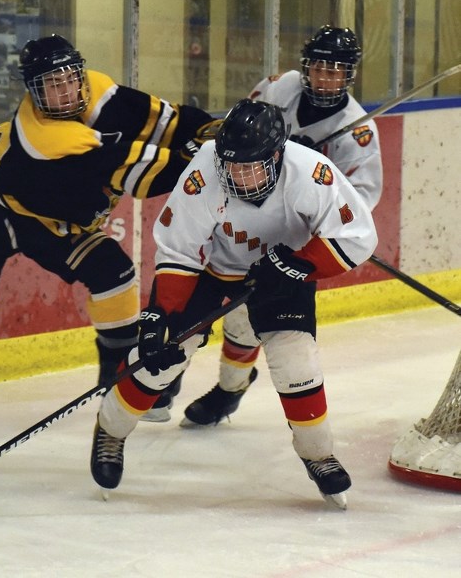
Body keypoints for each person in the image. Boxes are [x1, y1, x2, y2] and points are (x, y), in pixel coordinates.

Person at [0, 34, 217, 475]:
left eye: (69, 79)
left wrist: (211, 129)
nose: (65, 91)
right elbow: (145, 175)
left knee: (114, 274)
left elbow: (169, 121)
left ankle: (115, 379)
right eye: (51, 85)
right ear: (32, 90)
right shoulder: (47, 140)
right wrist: (211, 155)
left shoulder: (100, 90)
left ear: (81, 74)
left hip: (44, 217)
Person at [90, 98, 378, 508]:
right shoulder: (205, 170)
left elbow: (357, 237)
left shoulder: (310, 172)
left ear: (276, 155)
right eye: (233, 165)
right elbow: (179, 250)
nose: (240, 175)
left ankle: (318, 454)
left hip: (285, 269)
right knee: (159, 358)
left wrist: (296, 264)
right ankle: (110, 430)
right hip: (211, 268)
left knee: (297, 362)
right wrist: (160, 314)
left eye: (251, 165)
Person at [145, 25, 384, 425]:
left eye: (336, 71)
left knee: (244, 319)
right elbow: (243, 128)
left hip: (287, 236)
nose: (326, 79)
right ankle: (169, 376)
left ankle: (229, 390)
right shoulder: (279, 88)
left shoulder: (359, 132)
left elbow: (357, 204)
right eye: (319, 69)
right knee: (192, 297)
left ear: (349, 75)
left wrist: (308, 167)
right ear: (305, 68)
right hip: (236, 212)